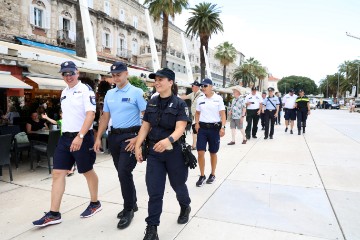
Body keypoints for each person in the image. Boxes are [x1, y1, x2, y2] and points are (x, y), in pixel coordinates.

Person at [33, 61, 101, 227]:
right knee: (57, 173)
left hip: (82, 137)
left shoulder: (85, 89)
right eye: (64, 73)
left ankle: (95, 203)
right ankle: (54, 213)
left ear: (77, 72)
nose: (68, 76)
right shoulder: (64, 91)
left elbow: (90, 115)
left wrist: (80, 136)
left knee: (87, 171)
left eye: (71, 72)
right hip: (65, 138)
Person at [134, 68, 191, 240]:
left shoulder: (180, 103)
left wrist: (168, 140)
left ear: (171, 82)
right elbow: (145, 126)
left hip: (174, 153)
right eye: (155, 80)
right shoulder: (151, 102)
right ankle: (152, 229)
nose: (157, 82)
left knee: (178, 185)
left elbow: (181, 127)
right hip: (154, 154)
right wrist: (138, 146)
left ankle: (185, 205)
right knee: (155, 191)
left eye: (161, 79)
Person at [93, 62, 147, 230]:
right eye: (113, 75)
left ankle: (128, 209)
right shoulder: (109, 93)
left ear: (126, 74)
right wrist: (98, 138)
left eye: (119, 74)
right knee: (122, 173)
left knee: (124, 171)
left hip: (130, 137)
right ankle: (134, 202)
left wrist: (139, 138)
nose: (116, 78)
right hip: (115, 137)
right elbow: (105, 117)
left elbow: (147, 118)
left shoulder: (137, 92)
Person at [194, 78, 226, 187]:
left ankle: (212, 174)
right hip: (202, 129)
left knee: (213, 152)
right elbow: (197, 113)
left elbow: (222, 114)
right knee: (200, 152)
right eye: (202, 86)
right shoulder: (200, 99)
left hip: (214, 129)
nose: (203, 88)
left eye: (205, 86)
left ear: (211, 86)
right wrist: (197, 123)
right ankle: (202, 175)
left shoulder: (218, 98)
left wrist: (223, 127)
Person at [180, 80, 204, 150]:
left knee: (196, 130)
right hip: (194, 116)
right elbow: (185, 97)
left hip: (200, 116)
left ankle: (196, 145)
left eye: (192, 86)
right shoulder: (192, 94)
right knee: (195, 130)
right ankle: (195, 145)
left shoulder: (201, 95)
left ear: (196, 87)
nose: (192, 87)